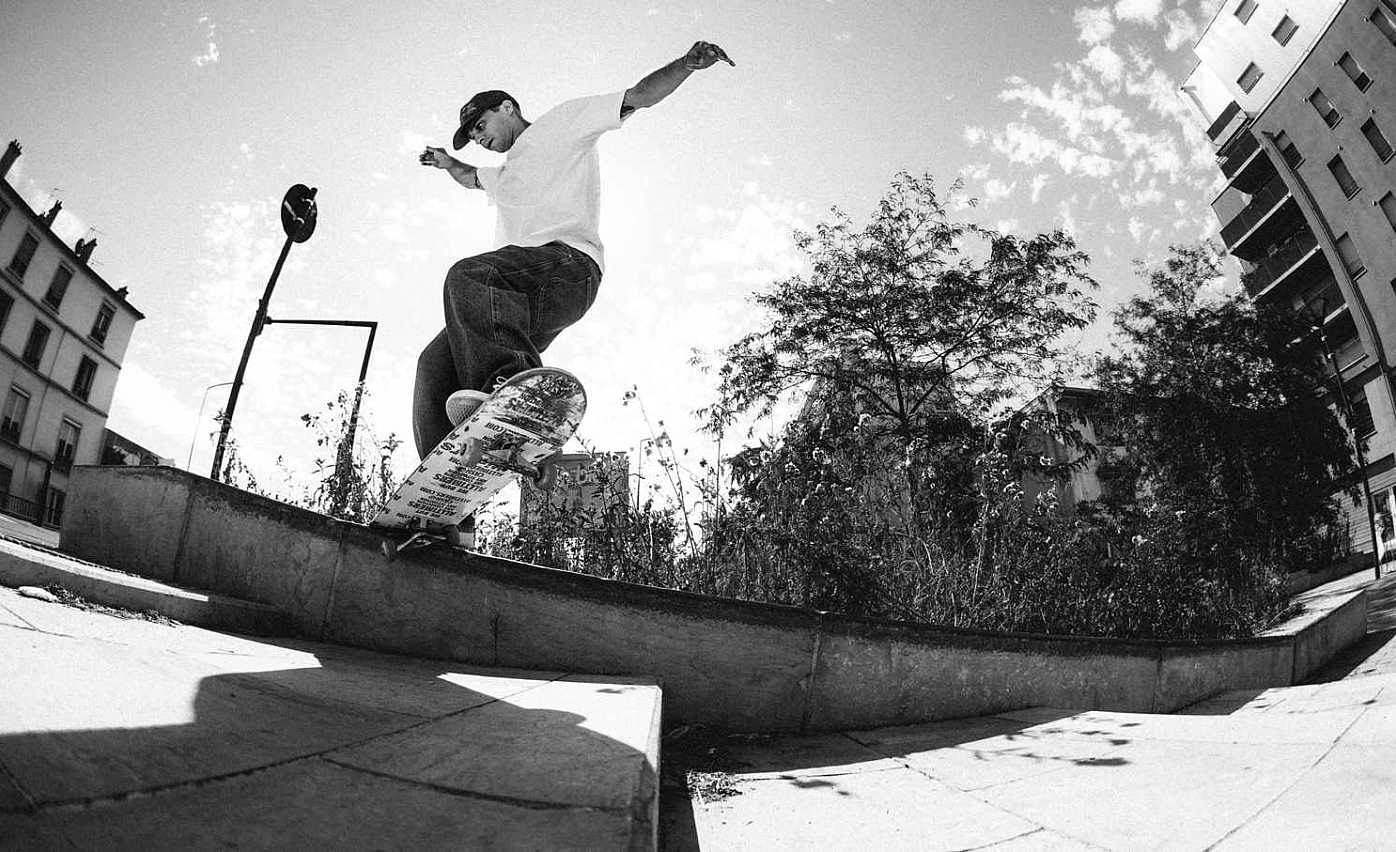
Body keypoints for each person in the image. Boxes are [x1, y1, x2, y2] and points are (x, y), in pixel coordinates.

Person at [414, 40, 735, 464]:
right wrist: (446, 162)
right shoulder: (505, 176)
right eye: (473, 136)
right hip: (516, 300)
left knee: (470, 275)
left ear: (508, 107)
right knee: (435, 364)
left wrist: (685, 65)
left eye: (481, 125)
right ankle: (445, 479)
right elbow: (471, 176)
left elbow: (638, 96)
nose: (479, 138)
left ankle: (516, 400)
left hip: (568, 268)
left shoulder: (561, 124)